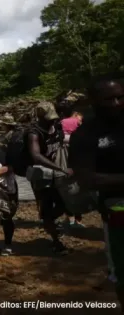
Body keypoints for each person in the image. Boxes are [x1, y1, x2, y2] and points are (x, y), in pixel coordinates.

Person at [69, 73, 124, 303]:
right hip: (117, 211)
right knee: (122, 274)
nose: (116, 104)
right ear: (93, 101)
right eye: (108, 99)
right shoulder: (86, 135)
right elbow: (88, 179)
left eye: (120, 97)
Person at [26, 102, 73, 255]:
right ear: (41, 117)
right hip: (42, 176)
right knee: (47, 206)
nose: (52, 120)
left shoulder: (56, 127)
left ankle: (48, 221)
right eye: (49, 119)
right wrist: (58, 167)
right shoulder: (34, 132)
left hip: (57, 172)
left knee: (65, 204)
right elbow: (36, 156)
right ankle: (56, 242)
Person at [60, 111, 85, 227]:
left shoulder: (62, 122)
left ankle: (70, 218)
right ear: (75, 115)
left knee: (65, 188)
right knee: (77, 189)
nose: (80, 120)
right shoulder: (78, 123)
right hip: (76, 151)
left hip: (63, 152)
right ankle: (78, 219)